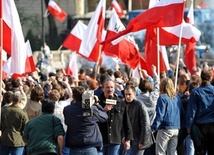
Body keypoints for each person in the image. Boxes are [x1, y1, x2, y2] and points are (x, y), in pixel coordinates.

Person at [63, 86, 108, 155]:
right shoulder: (91, 109)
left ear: (73, 96)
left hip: (75, 146)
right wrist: (96, 104)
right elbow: (104, 117)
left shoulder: (67, 110)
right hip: (90, 145)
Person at [98, 78, 133, 155]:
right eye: (107, 87)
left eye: (111, 87)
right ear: (103, 89)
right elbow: (92, 119)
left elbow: (126, 121)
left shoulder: (120, 102)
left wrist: (128, 140)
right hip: (101, 140)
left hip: (115, 139)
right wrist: (104, 110)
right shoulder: (97, 102)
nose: (110, 89)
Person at [186, 67, 214, 155]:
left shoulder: (195, 92)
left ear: (201, 77)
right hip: (212, 124)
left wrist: (188, 126)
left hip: (199, 126)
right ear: (211, 77)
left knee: (200, 152)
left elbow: (191, 111)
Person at [151, 77, 183, 155]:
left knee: (160, 152)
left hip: (165, 128)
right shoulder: (177, 98)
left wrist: (153, 128)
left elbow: (160, 115)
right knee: (172, 153)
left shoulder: (162, 98)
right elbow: (181, 112)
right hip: (176, 128)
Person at [124, 84, 153, 155]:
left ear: (134, 94)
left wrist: (142, 141)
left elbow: (146, 125)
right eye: (126, 94)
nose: (127, 96)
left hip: (138, 139)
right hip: (129, 138)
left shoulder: (140, 105)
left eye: (129, 94)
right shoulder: (124, 104)